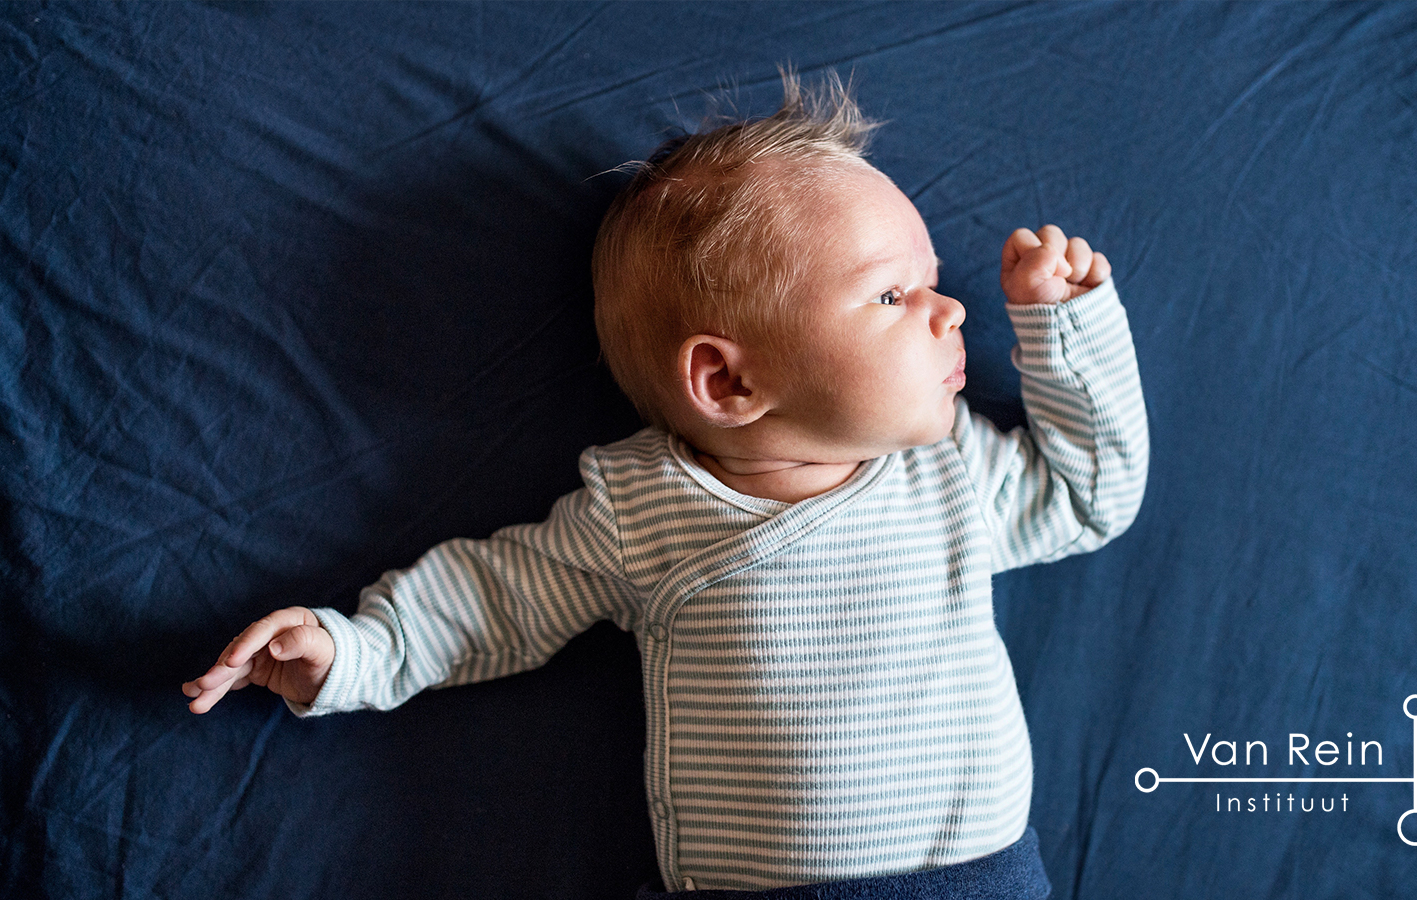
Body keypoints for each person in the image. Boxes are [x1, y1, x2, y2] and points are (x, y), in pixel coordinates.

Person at [183, 73, 1148, 897]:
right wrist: (351, 654)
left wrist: (1064, 331)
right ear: (726, 382)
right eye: (893, 294)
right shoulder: (641, 510)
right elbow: (488, 599)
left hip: (982, 877)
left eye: (930, 281)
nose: (952, 310)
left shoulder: (950, 471)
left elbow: (1087, 498)